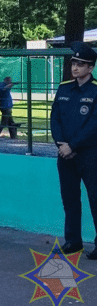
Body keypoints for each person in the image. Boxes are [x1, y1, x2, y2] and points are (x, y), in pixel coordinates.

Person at [52, 41, 97, 259]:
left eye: (81, 64)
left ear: (91, 67)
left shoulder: (96, 91)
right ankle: (73, 241)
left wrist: (73, 145)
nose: (75, 67)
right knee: (70, 200)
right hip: (65, 155)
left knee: (95, 200)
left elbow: (94, 125)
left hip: (90, 156)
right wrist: (62, 144)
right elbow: (55, 119)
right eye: (73, 63)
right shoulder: (64, 88)